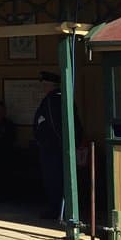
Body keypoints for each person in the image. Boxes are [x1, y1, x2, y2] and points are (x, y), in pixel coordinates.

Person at [33, 71, 82, 220]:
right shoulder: (64, 98)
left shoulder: (51, 100)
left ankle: (57, 210)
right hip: (58, 147)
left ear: (49, 85)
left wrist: (51, 142)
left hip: (52, 148)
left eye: (44, 84)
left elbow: (53, 125)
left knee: (54, 179)